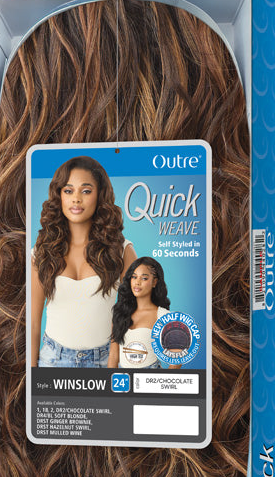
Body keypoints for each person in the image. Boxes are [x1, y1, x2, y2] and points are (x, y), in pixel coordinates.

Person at [30, 156, 137, 368]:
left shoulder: (122, 250)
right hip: (53, 361)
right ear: (59, 195)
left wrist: (112, 364)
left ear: (100, 195)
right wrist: (32, 375)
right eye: (68, 191)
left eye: (86, 191)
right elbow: (33, 323)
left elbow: (129, 316)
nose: (76, 199)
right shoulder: (42, 251)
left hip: (105, 361)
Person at [108, 257, 180, 370]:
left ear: (154, 282)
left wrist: (165, 380)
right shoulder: (120, 312)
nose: (137, 282)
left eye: (144, 278)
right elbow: (113, 355)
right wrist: (111, 379)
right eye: (134, 277)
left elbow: (178, 354)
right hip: (123, 378)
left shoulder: (163, 316)